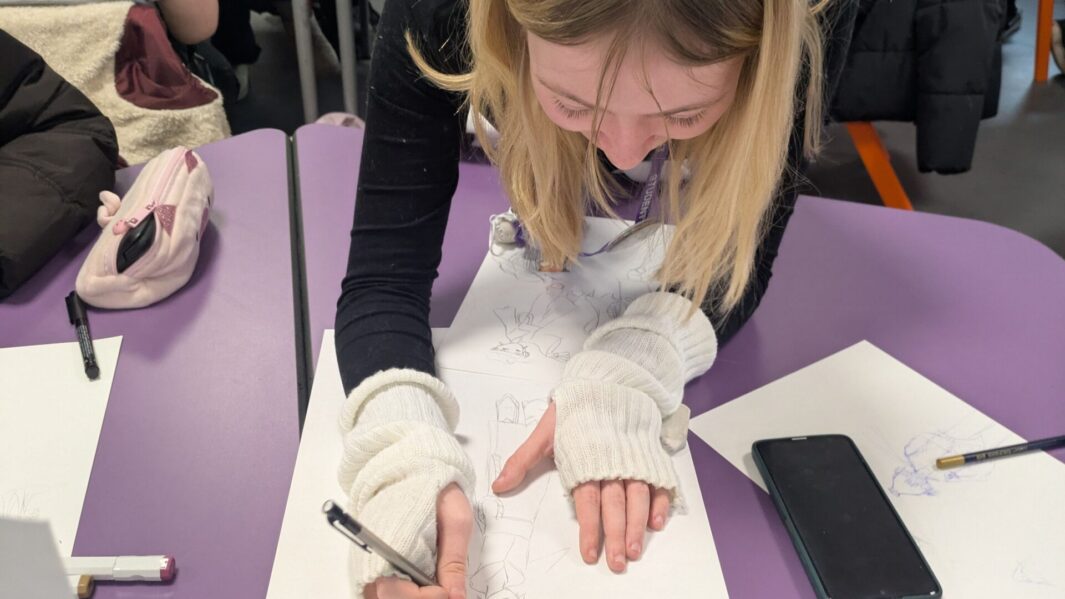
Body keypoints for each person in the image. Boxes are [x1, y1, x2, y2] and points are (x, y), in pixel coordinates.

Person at [334, 1, 857, 598]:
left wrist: (630, 367)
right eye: (573, 103)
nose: (625, 153)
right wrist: (402, 454)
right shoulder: (437, 10)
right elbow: (383, 278)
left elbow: (739, 258)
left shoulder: (808, 14)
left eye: (685, 113)